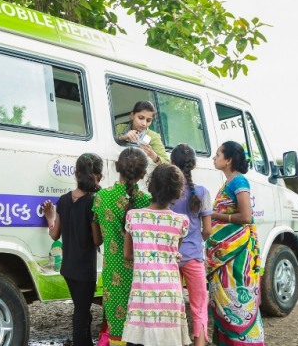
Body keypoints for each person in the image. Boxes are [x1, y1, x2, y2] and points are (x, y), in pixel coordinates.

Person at [122, 164, 191, 346]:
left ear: (150, 185)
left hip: (142, 296)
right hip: (170, 295)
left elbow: (128, 254)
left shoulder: (133, 217)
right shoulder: (181, 221)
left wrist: (147, 256)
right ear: (177, 192)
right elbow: (174, 254)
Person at [206, 141, 264, 346]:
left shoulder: (239, 182)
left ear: (228, 160)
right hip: (227, 256)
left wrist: (215, 215)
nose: (214, 157)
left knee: (238, 296)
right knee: (225, 297)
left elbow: (246, 216)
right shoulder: (229, 183)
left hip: (237, 256)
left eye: (218, 154)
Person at [92, 146, 151, 345]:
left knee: (117, 328)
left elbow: (97, 237)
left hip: (113, 271)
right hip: (141, 273)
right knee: (140, 326)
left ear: (117, 167)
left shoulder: (101, 198)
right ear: (143, 174)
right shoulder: (147, 201)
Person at [43, 153, 103, 346]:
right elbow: (97, 239)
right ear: (98, 176)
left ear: (76, 173)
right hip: (85, 270)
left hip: (68, 269)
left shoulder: (63, 200)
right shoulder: (93, 202)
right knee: (81, 313)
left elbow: (54, 235)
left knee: (82, 309)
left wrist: (50, 218)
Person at [170, 144, 212, 346]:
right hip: (194, 256)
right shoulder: (202, 192)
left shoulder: (168, 193)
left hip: (171, 257)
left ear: (171, 164)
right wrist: (197, 242)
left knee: (175, 305)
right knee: (199, 305)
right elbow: (208, 230)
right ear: (194, 165)